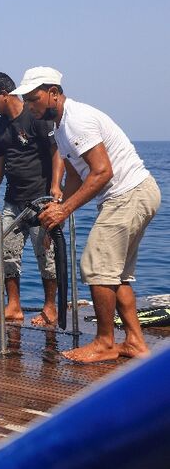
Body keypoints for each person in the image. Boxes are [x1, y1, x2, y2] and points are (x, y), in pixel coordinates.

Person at [12, 66, 160, 362]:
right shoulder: (61, 127)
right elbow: (77, 177)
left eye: (34, 98)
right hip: (137, 193)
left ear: (53, 93)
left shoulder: (77, 121)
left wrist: (65, 208)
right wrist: (58, 213)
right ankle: (134, 342)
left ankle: (105, 343)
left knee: (96, 267)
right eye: (26, 100)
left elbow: (103, 172)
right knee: (117, 275)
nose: (29, 105)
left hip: (127, 194)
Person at [0, 72, 64, 326]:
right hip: (12, 202)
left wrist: (56, 188)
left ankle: (50, 307)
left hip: (41, 200)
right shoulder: (0, 126)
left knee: (46, 257)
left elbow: (57, 152)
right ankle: (13, 306)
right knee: (5, 252)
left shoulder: (34, 115)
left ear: (5, 94)